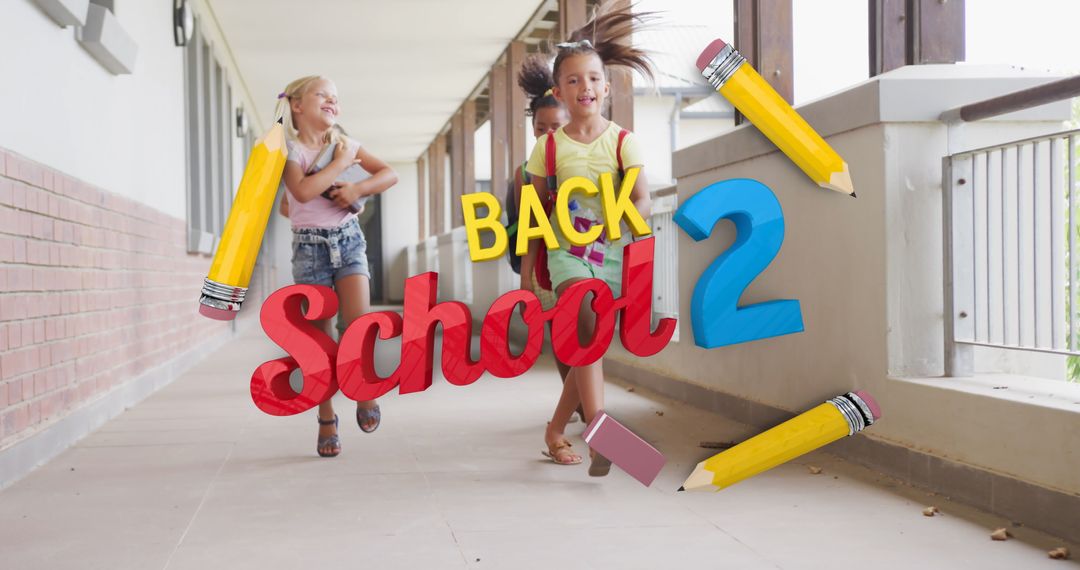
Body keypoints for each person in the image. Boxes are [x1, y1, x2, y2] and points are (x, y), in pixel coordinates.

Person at [522, 3, 655, 474]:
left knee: (590, 341)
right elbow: (535, 214)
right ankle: (601, 432)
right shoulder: (548, 147)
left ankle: (556, 431)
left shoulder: (624, 142)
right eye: (574, 80)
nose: (586, 87)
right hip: (566, 254)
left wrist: (619, 223)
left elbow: (641, 199)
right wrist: (525, 278)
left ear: (606, 85)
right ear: (559, 91)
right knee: (583, 322)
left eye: (594, 78)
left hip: (613, 255)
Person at [276, 75, 398, 457]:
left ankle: (362, 391)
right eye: (322, 95)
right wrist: (344, 164)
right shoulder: (290, 153)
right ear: (298, 105)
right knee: (319, 341)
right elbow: (301, 192)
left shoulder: (347, 144)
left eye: (336, 98)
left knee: (358, 327)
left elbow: (388, 174)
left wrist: (356, 188)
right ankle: (326, 418)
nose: (333, 101)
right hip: (310, 250)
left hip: (348, 242)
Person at [514, 55, 585, 431]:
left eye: (554, 126)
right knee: (560, 335)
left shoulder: (585, 157)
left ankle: (583, 402)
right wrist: (525, 278)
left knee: (586, 333)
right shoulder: (524, 172)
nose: (545, 134)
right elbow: (528, 225)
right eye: (539, 127)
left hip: (584, 257)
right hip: (544, 263)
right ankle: (577, 404)